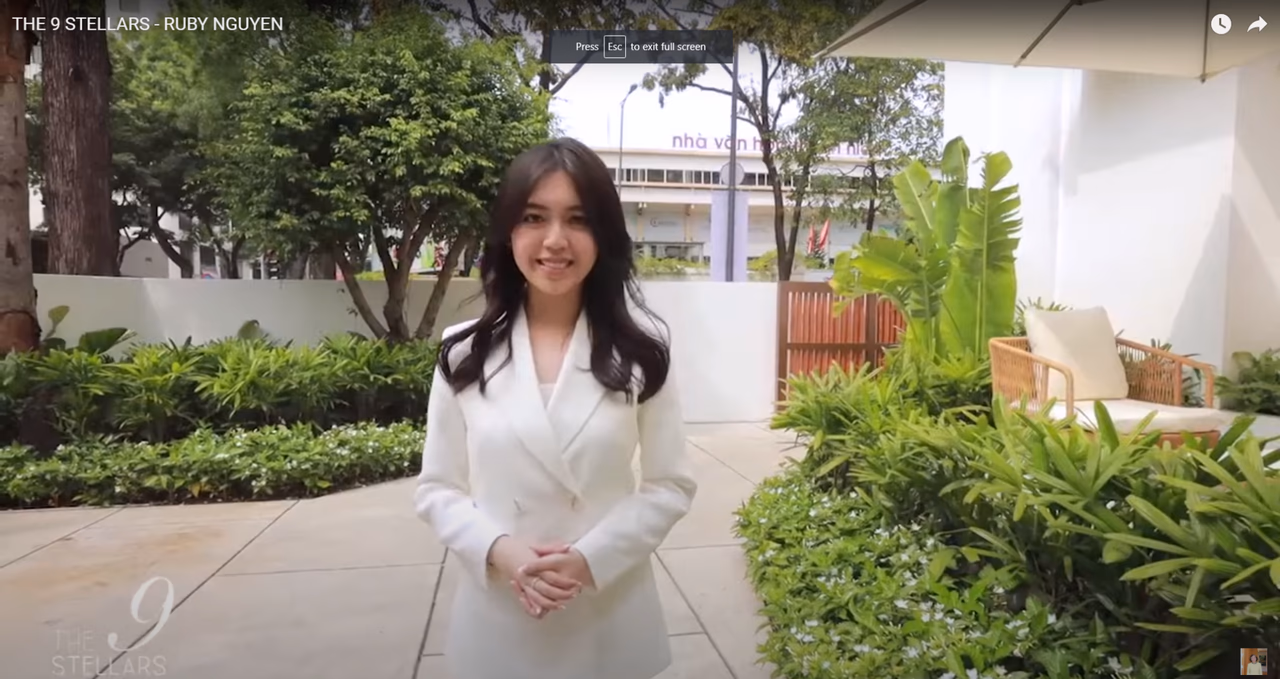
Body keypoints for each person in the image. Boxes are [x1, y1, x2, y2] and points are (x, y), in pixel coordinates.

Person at [413, 137, 698, 679]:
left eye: (578, 219)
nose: (554, 240)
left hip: (608, 614)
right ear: (509, 232)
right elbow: (437, 489)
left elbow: (671, 485)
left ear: (604, 235)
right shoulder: (464, 352)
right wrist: (502, 552)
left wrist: (590, 559)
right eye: (534, 217)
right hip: (501, 617)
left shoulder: (642, 352)